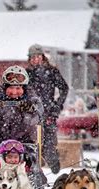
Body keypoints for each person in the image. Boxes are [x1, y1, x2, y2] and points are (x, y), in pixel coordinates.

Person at [26, 44, 68, 174]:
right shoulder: (27, 74)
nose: (35, 59)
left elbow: (64, 88)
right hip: (31, 114)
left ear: (42, 57)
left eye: (37, 56)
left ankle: (55, 169)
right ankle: (33, 170)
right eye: (32, 57)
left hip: (48, 112)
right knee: (30, 143)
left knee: (49, 145)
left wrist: (57, 106)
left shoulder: (52, 71)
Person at [0, 65, 43, 145]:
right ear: (5, 87)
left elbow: (39, 107)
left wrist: (30, 106)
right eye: (11, 88)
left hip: (26, 143)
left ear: (23, 88)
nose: (14, 92)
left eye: (17, 88)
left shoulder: (30, 94)